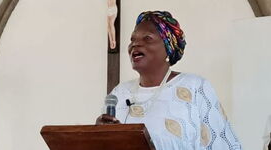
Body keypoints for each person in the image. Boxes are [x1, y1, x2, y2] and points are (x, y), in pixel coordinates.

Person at [97, 11, 242, 150]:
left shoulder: (194, 87)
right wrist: (96, 136)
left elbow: (221, 145)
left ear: (168, 47)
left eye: (147, 38)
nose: (135, 44)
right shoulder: (119, 93)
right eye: (133, 39)